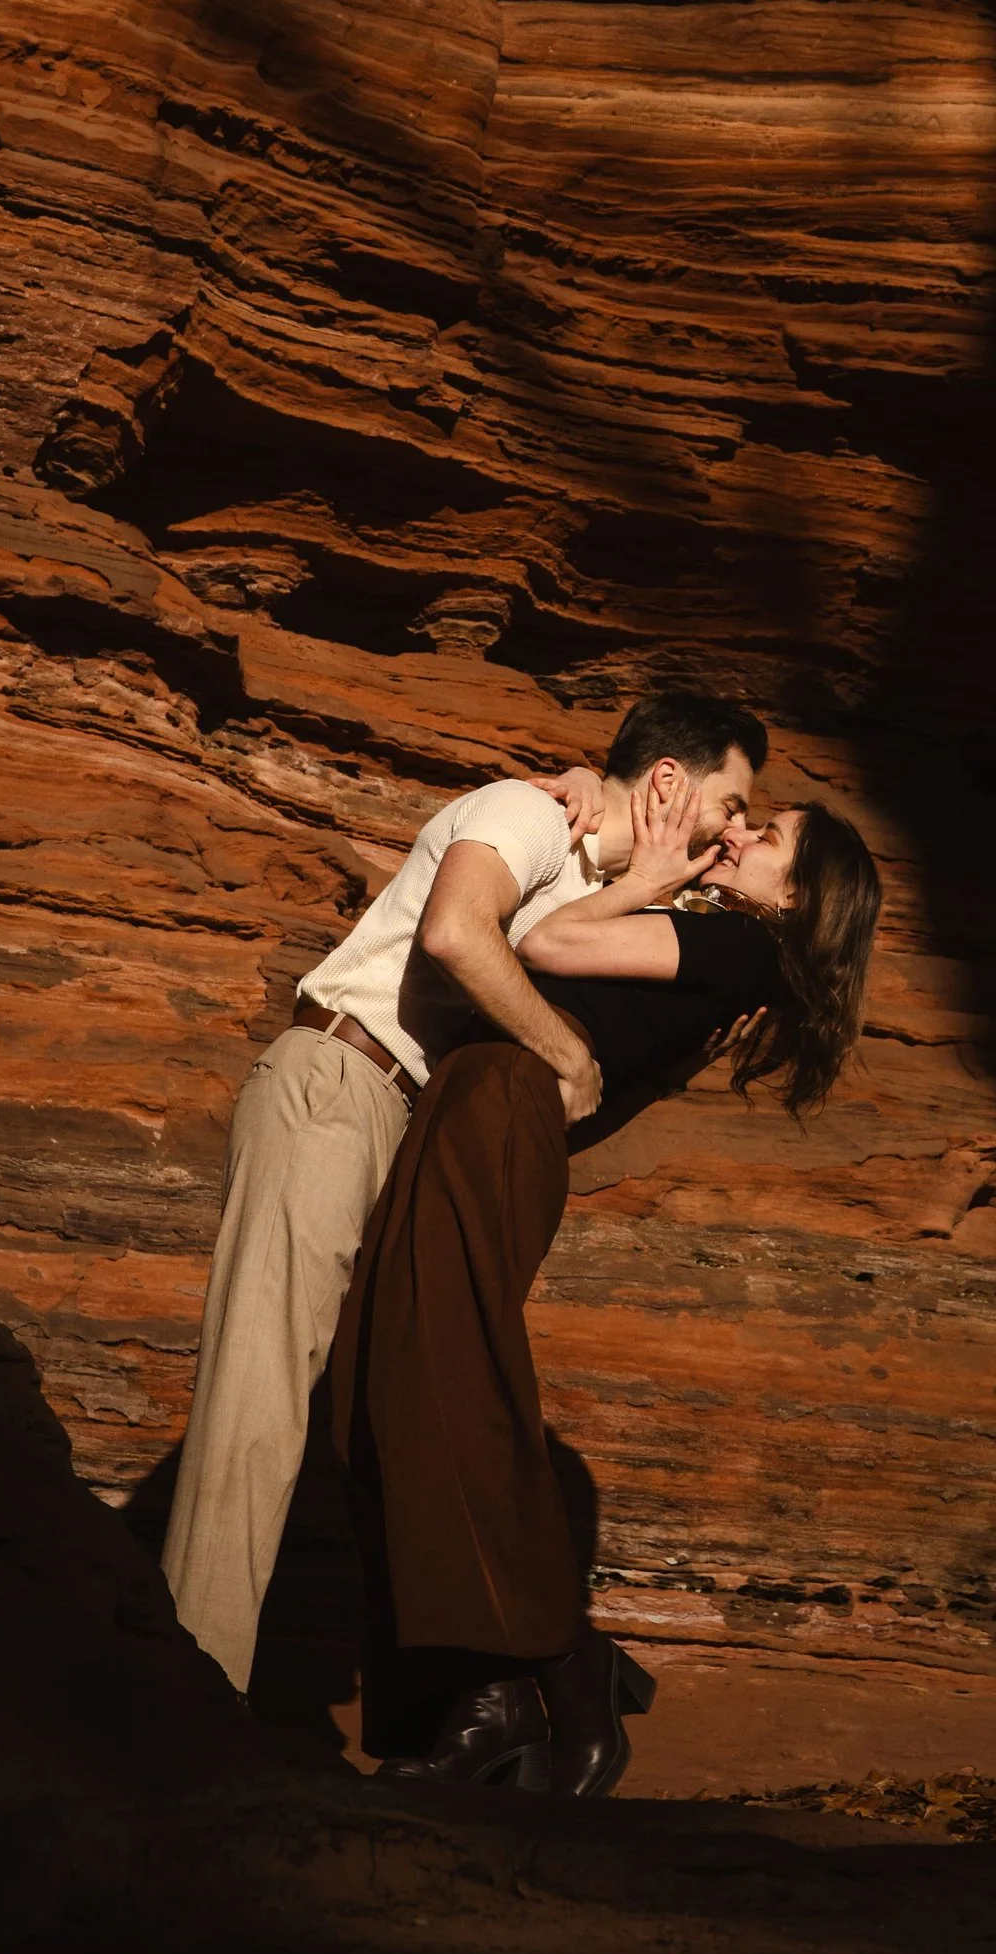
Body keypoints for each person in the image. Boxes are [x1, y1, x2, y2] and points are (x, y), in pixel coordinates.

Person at [160, 693, 768, 1691]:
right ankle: (186, 1696)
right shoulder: (525, 815)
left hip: (395, 1124)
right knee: (257, 1402)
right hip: (339, 1083)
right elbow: (453, 931)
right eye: (732, 802)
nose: (735, 829)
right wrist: (566, 1046)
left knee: (358, 1413)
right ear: (668, 780)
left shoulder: (581, 870)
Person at [328, 771, 884, 1795]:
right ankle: (527, 1683)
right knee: (393, 1374)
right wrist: (606, 806)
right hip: (479, 1105)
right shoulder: (722, 945)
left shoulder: (741, 946)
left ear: (799, 899)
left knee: (440, 1377)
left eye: (770, 836)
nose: (743, 833)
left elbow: (544, 944)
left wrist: (659, 872)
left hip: (498, 1103)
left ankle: (528, 1681)